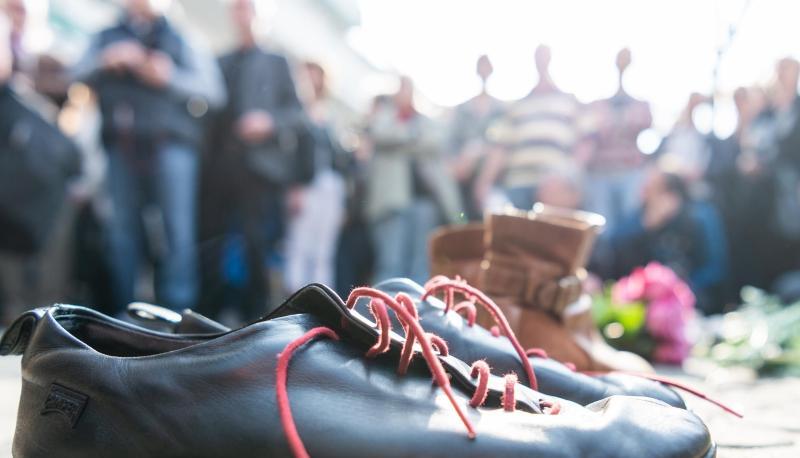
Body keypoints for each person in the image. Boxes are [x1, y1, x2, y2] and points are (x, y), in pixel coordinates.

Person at [72, 0, 225, 313]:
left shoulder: (182, 37)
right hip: (120, 146)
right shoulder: (107, 35)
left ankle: (177, 315)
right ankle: (123, 313)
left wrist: (168, 76)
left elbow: (213, 91)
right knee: (121, 233)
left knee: (175, 234)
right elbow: (74, 73)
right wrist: (106, 61)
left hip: (172, 148)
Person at [199, 0, 308, 321]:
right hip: (218, 169)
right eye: (237, 7)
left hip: (260, 171)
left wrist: (269, 122)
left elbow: (299, 116)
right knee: (211, 242)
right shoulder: (219, 61)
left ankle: (256, 318)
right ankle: (208, 314)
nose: (242, 13)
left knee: (256, 245)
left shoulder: (278, 62)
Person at [364, 76, 462, 283]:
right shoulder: (384, 117)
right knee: (390, 263)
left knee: (420, 266)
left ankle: (413, 314)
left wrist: (404, 139)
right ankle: (379, 313)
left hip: (425, 203)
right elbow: (381, 134)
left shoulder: (426, 122)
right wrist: (412, 137)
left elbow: (436, 141)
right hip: (391, 204)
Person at [475, 45, 590, 210]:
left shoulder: (570, 102)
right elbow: (500, 147)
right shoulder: (515, 106)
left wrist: (567, 176)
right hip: (516, 186)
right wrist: (484, 183)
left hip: (556, 187)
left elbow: (586, 141)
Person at [610, 168, 728, 313]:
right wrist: (647, 227)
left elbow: (714, 268)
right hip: (646, 306)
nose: (645, 194)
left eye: (654, 190)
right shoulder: (640, 220)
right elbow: (616, 250)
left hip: (694, 305)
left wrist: (679, 291)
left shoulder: (699, 218)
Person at [283, 62, 346, 292]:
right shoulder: (294, 112)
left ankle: (321, 299)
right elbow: (293, 155)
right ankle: (294, 298)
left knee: (323, 249)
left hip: (330, 186)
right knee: (299, 244)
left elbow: (338, 158)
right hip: (307, 186)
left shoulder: (330, 116)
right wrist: (295, 187)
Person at [583, 48, 652, 233]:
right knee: (601, 227)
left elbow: (643, 121)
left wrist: (612, 123)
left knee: (630, 223)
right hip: (599, 174)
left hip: (629, 172)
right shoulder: (597, 104)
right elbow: (595, 130)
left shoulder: (640, 104)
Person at [446, 54, 504, 220]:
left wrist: (476, 152)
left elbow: (500, 143)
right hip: (462, 176)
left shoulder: (500, 109)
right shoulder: (463, 109)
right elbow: (450, 145)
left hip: (490, 179)